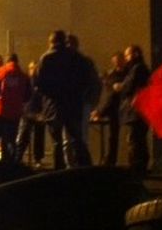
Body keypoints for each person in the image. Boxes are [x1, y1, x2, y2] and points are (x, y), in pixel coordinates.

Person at [37, 30, 92, 169]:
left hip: (53, 105)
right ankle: (85, 169)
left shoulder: (47, 58)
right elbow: (86, 80)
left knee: (57, 142)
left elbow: (40, 84)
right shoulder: (77, 58)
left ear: (52, 42)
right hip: (73, 105)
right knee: (76, 139)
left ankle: (59, 171)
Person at [0, 53, 31, 163]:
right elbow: (28, 95)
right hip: (15, 113)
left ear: (7, 61)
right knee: (10, 140)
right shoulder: (23, 76)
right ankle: (10, 165)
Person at [113, 45, 151, 177]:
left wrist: (120, 87)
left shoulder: (137, 69)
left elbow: (129, 86)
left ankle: (136, 168)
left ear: (134, 54)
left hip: (136, 112)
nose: (126, 58)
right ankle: (139, 166)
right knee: (138, 140)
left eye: (127, 55)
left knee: (135, 140)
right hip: (139, 112)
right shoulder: (139, 68)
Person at [65, 34, 102, 166]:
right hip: (77, 104)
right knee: (74, 138)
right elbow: (95, 83)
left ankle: (74, 166)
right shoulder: (84, 62)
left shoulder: (79, 62)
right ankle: (76, 166)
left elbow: (94, 83)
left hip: (76, 104)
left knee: (75, 138)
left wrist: (91, 103)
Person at [91, 52, 127, 166]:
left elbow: (110, 95)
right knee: (112, 136)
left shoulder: (125, 75)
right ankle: (110, 160)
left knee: (114, 136)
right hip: (112, 108)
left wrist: (100, 111)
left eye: (119, 61)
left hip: (119, 108)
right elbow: (106, 95)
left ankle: (110, 160)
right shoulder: (110, 75)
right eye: (116, 61)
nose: (117, 64)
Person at [15, 61, 46, 168]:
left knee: (39, 137)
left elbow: (44, 98)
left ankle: (38, 159)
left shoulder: (41, 83)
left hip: (38, 113)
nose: (33, 70)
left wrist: (43, 112)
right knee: (23, 136)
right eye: (31, 68)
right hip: (27, 113)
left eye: (35, 68)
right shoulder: (26, 81)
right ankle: (18, 158)